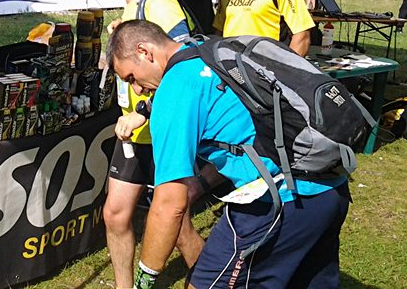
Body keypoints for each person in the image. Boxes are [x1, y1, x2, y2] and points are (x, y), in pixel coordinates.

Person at [107, 20, 350, 289]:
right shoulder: (207, 48)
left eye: (131, 78)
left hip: (279, 200)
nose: (137, 89)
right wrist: (143, 112)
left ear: (144, 51)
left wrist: (144, 279)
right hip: (329, 187)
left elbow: (169, 205)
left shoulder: (174, 90)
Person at [89, 0, 206, 288]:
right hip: (135, 134)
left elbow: (185, 66)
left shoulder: (159, 1)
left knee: (178, 225)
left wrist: (144, 110)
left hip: (159, 129)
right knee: (115, 214)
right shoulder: (133, 3)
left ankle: (210, 280)